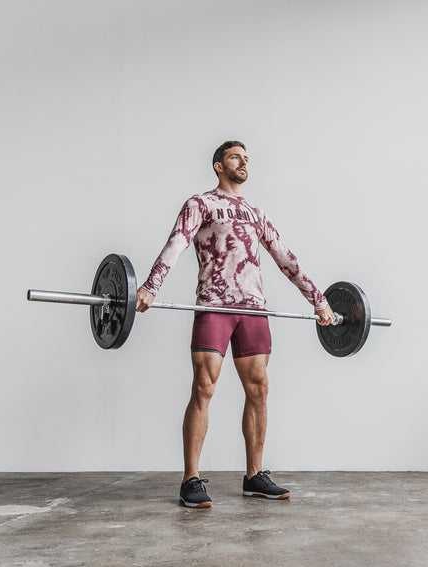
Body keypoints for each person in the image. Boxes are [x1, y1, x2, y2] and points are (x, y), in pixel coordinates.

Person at [136, 140, 334, 509]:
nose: (243, 162)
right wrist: (151, 285)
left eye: (246, 158)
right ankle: (190, 479)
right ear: (218, 165)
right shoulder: (201, 204)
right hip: (214, 305)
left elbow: (285, 258)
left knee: (259, 390)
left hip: (253, 310)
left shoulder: (255, 213)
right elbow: (177, 242)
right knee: (204, 388)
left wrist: (319, 300)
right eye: (235, 157)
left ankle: (254, 476)